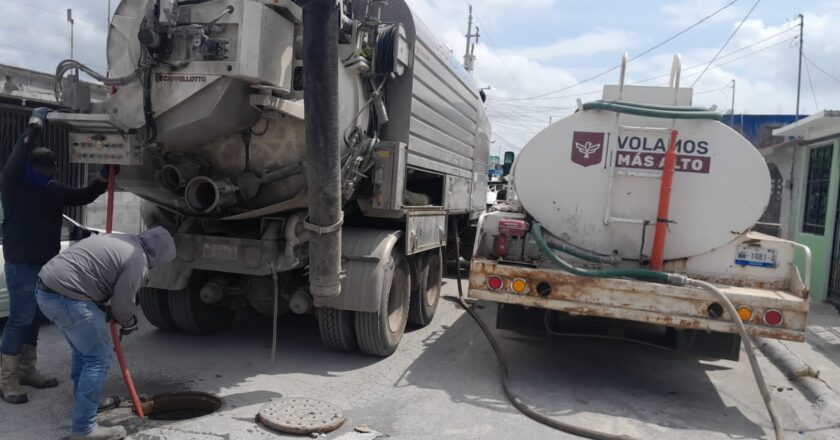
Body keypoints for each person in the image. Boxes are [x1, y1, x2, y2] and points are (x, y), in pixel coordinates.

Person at [0, 107, 115, 405]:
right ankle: (7, 380)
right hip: (21, 263)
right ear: (31, 167)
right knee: (20, 318)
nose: (48, 175)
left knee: (35, 318)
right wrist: (34, 125)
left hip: (47, 265)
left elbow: (84, 196)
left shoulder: (51, 188)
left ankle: (27, 370)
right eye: (43, 170)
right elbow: (16, 156)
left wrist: (104, 178)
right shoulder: (14, 184)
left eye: (50, 171)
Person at [36, 226, 176, 440]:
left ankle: (85, 404)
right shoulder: (138, 260)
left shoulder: (124, 239)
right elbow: (122, 305)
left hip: (47, 290)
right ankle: (84, 429)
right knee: (98, 358)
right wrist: (128, 322)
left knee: (84, 353)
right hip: (68, 298)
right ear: (159, 255)